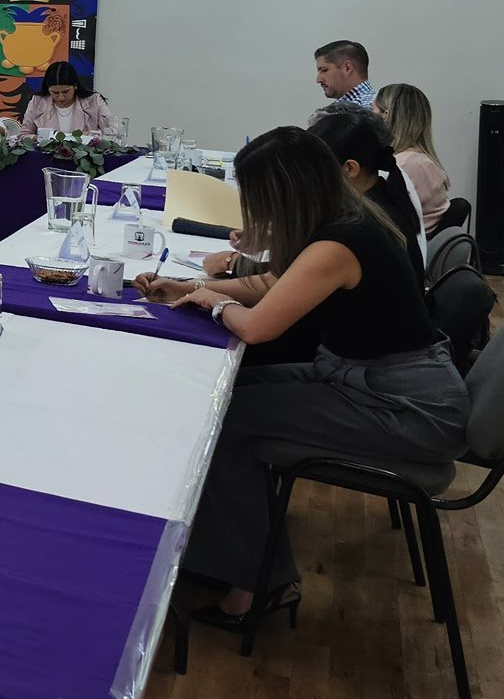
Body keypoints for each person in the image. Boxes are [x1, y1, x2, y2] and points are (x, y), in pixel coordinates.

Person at [136, 127, 465, 628]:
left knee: (224, 422)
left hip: (407, 408)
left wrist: (214, 301)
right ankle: (228, 557)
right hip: (379, 383)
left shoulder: (339, 243)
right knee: (220, 400)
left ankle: (255, 586)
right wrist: (190, 286)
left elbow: (256, 327)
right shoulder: (346, 221)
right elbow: (273, 284)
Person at [311, 105, 427, 278]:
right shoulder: (385, 195)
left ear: (350, 169)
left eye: (316, 168)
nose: (311, 178)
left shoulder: (360, 223)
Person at [376, 82, 452, 233]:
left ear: (386, 116)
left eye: (371, 110)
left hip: (405, 243)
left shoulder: (400, 166)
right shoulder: (423, 160)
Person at [19, 62, 112, 138]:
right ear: (48, 89)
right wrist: (38, 138)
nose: (61, 97)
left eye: (65, 91)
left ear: (75, 86)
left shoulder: (94, 101)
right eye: (55, 92)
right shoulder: (37, 102)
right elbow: (24, 135)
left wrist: (90, 137)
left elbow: (111, 133)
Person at [313, 39, 374, 110]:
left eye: (324, 70)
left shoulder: (366, 110)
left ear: (347, 68)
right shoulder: (377, 106)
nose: (318, 80)